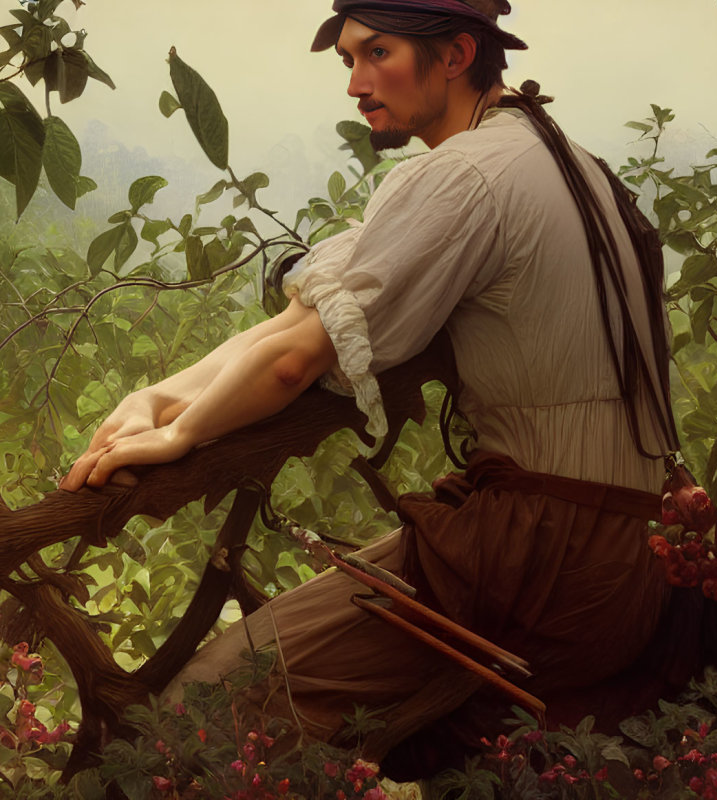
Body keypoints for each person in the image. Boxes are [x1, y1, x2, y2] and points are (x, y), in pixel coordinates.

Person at [63, 0, 680, 764]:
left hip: (539, 552)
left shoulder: (464, 178)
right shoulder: (560, 157)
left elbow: (298, 360)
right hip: (622, 553)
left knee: (207, 705)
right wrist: (159, 400)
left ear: (455, 55)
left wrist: (184, 436)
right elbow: (306, 319)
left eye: (377, 54)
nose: (355, 83)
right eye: (348, 60)